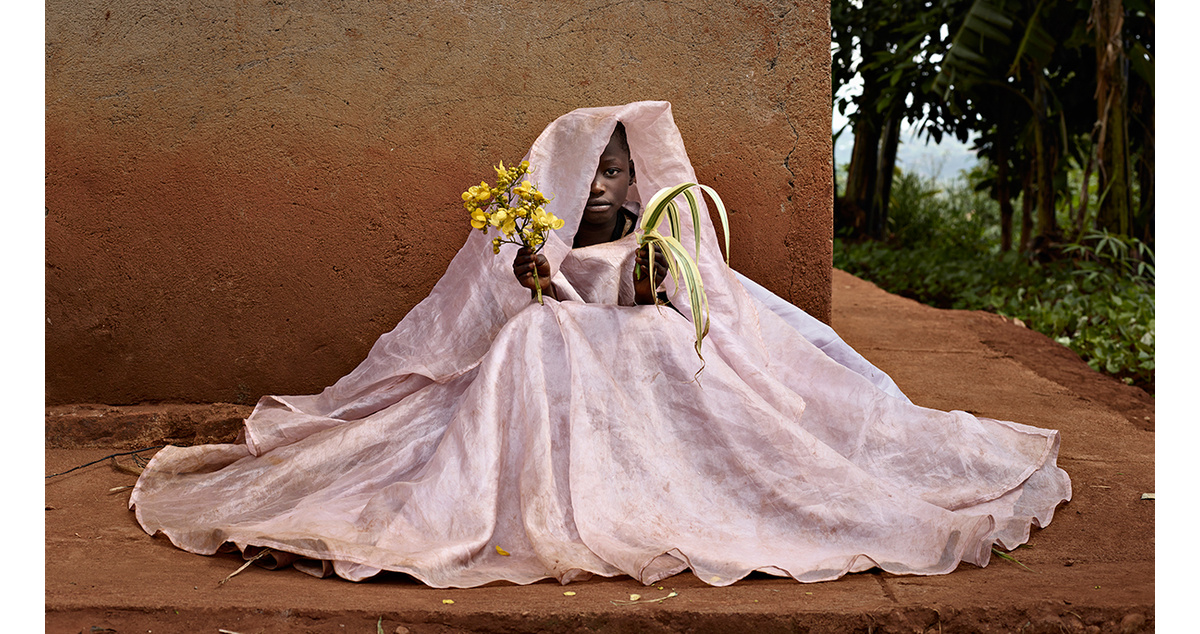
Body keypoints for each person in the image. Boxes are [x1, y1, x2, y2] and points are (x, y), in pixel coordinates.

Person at [131, 101, 1071, 588]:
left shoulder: (664, 235)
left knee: (687, 366)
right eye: (594, 174)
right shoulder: (549, 243)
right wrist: (547, 283)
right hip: (566, 371)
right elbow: (516, 304)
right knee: (532, 342)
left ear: (644, 179)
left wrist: (654, 281)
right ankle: (536, 491)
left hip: (654, 373)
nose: (607, 188)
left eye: (621, 171)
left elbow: (697, 311)